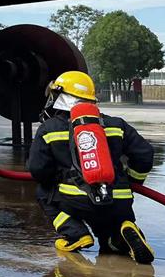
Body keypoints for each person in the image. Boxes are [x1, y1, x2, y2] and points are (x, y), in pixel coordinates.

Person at [26, 71, 155, 263]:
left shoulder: (50, 127)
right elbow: (145, 154)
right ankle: (122, 232)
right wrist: (133, 181)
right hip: (118, 200)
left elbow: (38, 169)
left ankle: (75, 233)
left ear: (61, 96)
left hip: (76, 201)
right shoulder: (116, 124)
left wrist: (57, 177)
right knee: (109, 230)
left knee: (43, 192)